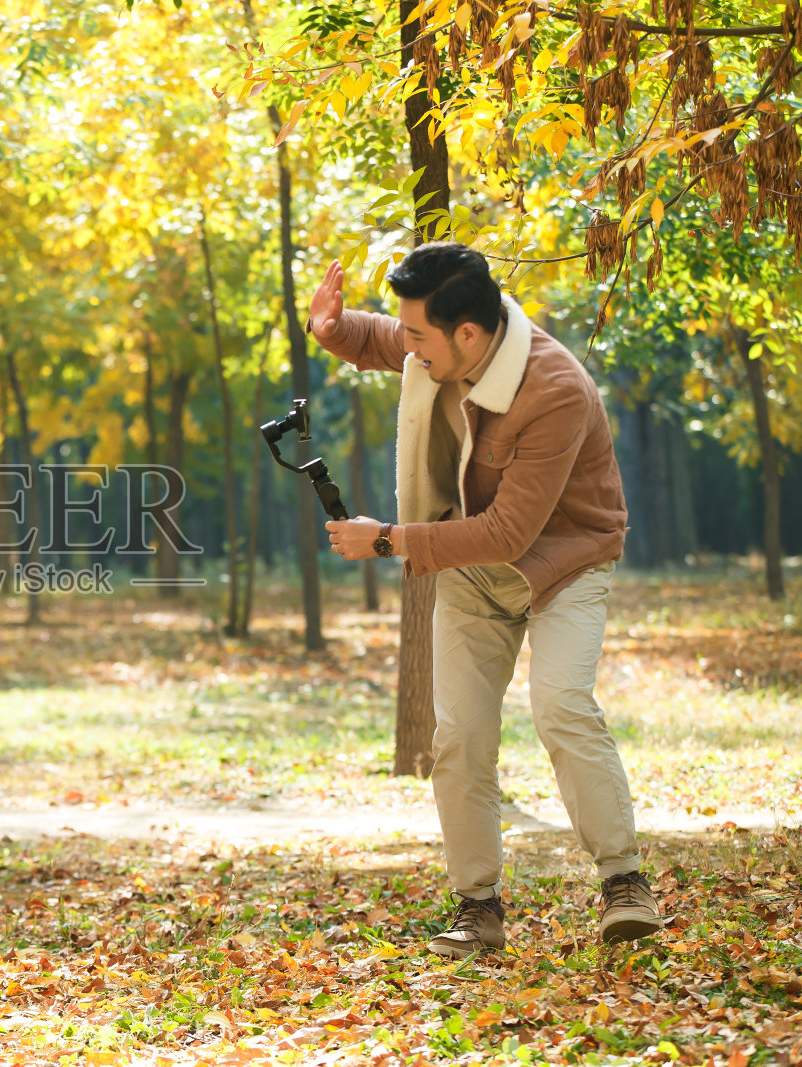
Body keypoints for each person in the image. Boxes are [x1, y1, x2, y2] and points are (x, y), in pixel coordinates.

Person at [308, 243, 661, 956]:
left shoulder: (554, 387)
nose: (405, 346)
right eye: (407, 332)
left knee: (561, 704)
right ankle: (479, 907)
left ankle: (624, 881)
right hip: (471, 565)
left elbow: (507, 531)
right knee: (460, 733)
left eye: (418, 336)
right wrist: (332, 330)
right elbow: (378, 336)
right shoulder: (442, 343)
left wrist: (388, 541)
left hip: (565, 560)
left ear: (468, 333)